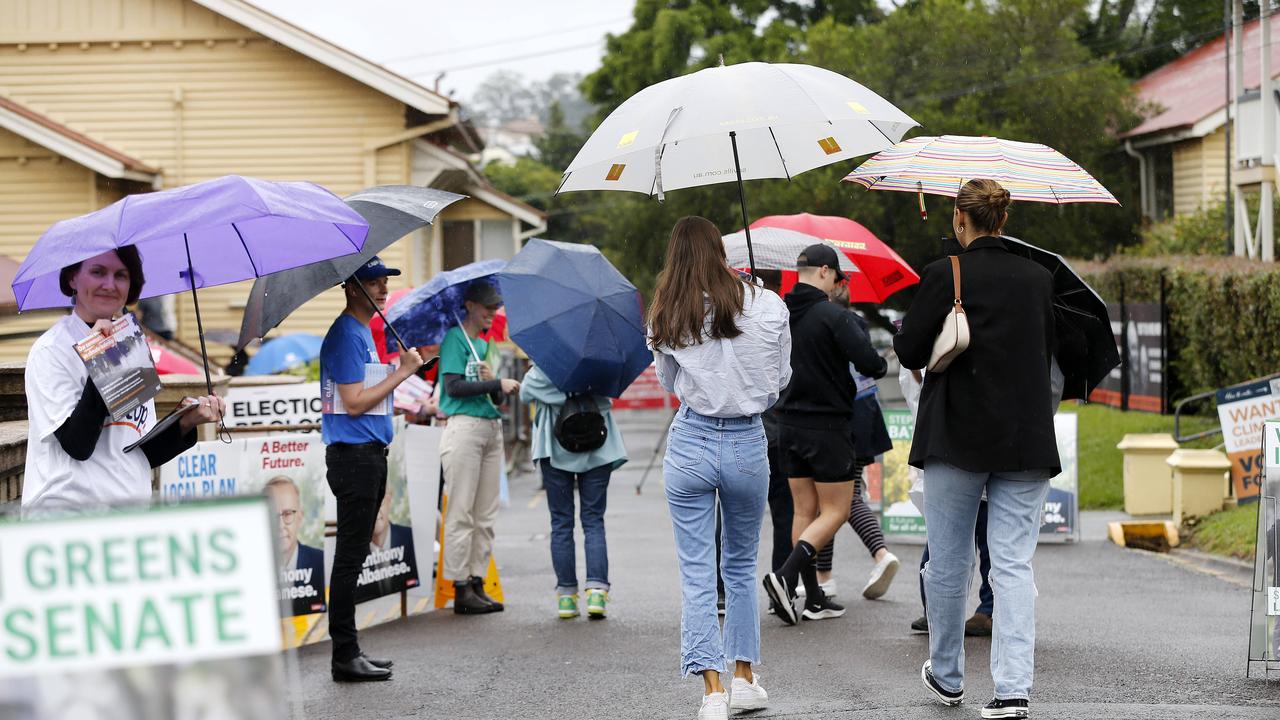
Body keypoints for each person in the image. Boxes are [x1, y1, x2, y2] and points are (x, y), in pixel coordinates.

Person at [894, 179, 1059, 720]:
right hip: (1025, 439)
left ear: (959, 219)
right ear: (1004, 220)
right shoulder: (1039, 278)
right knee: (1012, 565)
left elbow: (911, 347)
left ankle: (946, 677)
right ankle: (1013, 690)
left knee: (948, 563)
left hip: (956, 437)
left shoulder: (947, 273)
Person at [650, 216, 791, 720]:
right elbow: (779, 380)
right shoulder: (769, 305)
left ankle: (710, 693)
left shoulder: (667, 311)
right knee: (739, 564)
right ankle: (745, 678)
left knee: (696, 572)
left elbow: (670, 381)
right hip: (747, 440)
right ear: (721, 251)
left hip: (691, 438)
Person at [22, 247, 223, 516]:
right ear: (72, 279)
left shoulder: (129, 343)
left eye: (121, 275)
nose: (109, 284)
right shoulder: (52, 350)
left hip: (125, 522)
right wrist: (102, 359)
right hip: (69, 524)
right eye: (97, 272)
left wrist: (185, 422)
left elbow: (136, 451)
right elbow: (77, 445)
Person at [763, 244, 887, 626]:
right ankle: (784, 577)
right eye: (837, 277)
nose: (838, 284)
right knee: (837, 510)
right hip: (828, 426)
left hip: (788, 425)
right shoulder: (834, 316)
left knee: (804, 510)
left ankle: (813, 598)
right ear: (824, 272)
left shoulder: (777, 315)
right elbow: (872, 364)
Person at [320, 255, 425, 683]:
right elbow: (355, 401)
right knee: (348, 559)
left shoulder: (363, 332)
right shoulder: (346, 333)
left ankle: (351, 650)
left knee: (355, 555)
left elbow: (368, 397)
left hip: (368, 453)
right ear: (350, 287)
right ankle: (344, 654)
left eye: (384, 282)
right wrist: (402, 373)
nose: (382, 289)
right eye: (372, 282)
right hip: (354, 457)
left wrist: (401, 372)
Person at [811, 282, 900, 602]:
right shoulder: (857, 324)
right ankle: (825, 577)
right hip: (868, 415)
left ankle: (879, 554)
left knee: (839, 500)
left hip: (843, 420)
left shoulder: (827, 327)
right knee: (838, 498)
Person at [520, 364, 628, 619]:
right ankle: (597, 593)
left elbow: (525, 393)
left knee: (561, 522)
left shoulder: (547, 364)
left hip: (555, 449)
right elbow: (613, 391)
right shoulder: (601, 362)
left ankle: (567, 597)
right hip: (598, 447)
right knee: (593, 521)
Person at [438, 280, 520, 614]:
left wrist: (494, 384)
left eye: (494, 307)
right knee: (461, 510)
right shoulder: (455, 339)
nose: (491, 312)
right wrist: (494, 382)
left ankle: (476, 580)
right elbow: (453, 387)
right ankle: (459, 587)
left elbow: (497, 398)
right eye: (486, 306)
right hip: (464, 428)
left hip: (490, 428)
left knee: (485, 513)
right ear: (469, 305)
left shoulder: (488, 346)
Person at [264, 476, 326, 616]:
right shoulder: (253, 571)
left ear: (300, 517)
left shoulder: (323, 564)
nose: (280, 526)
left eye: (287, 514)